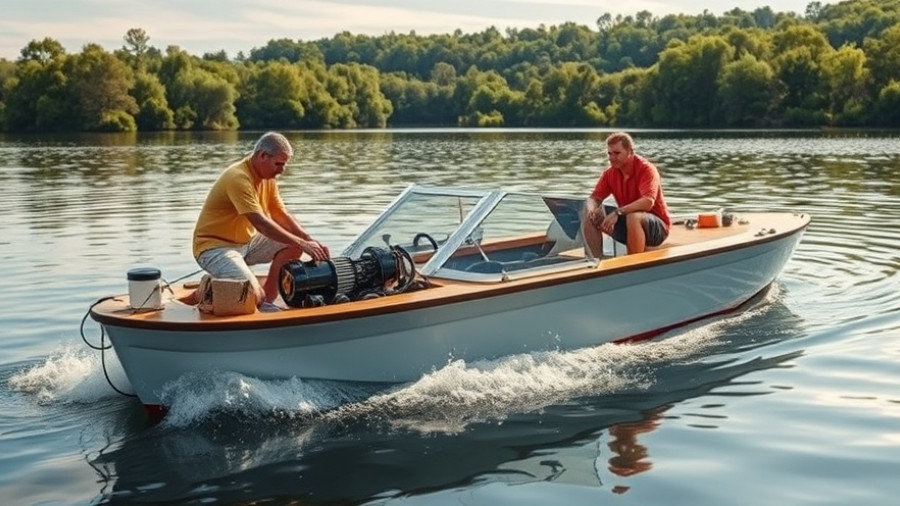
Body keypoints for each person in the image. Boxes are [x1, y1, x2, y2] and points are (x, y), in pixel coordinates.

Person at [190, 131, 330, 309]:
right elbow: (261, 224)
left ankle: (267, 300)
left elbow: (280, 214)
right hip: (214, 248)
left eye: (285, 164)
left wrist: (307, 240)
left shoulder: (267, 177)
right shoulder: (238, 178)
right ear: (262, 155)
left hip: (247, 244)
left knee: (293, 245)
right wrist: (303, 243)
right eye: (279, 164)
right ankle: (208, 290)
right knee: (250, 292)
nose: (283, 170)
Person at [582, 132, 670, 256]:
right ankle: (594, 262)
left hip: (657, 229)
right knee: (590, 215)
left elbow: (647, 202)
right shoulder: (610, 173)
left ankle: (632, 265)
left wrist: (618, 212)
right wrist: (592, 209)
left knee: (633, 217)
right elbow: (594, 198)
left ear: (630, 152)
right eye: (609, 153)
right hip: (628, 224)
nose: (612, 158)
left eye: (617, 153)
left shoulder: (647, 169)